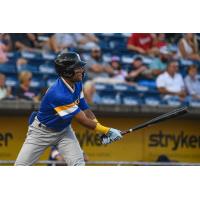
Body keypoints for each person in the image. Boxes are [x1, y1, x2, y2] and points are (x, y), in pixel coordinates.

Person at [15, 51, 122, 166]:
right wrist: (107, 130)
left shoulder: (78, 82)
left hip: (64, 130)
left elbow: (84, 107)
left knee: (78, 164)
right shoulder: (58, 93)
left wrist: (99, 129)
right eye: (77, 67)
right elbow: (83, 120)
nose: (81, 69)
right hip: (42, 132)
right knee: (20, 167)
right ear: (67, 71)